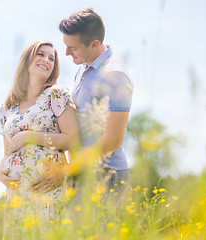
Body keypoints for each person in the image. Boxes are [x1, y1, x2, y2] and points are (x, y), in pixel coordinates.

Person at [31, 8, 133, 207]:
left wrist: (65, 172)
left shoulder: (115, 76)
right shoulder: (83, 69)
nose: (67, 53)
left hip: (105, 176)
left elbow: (112, 140)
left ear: (94, 44)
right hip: (81, 172)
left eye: (73, 48)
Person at [0, 40, 80, 239]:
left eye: (51, 58)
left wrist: (30, 137)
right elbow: (7, 153)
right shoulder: (8, 105)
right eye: (40, 54)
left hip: (46, 188)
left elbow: (73, 139)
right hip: (17, 194)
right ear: (26, 61)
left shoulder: (56, 94)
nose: (46, 60)